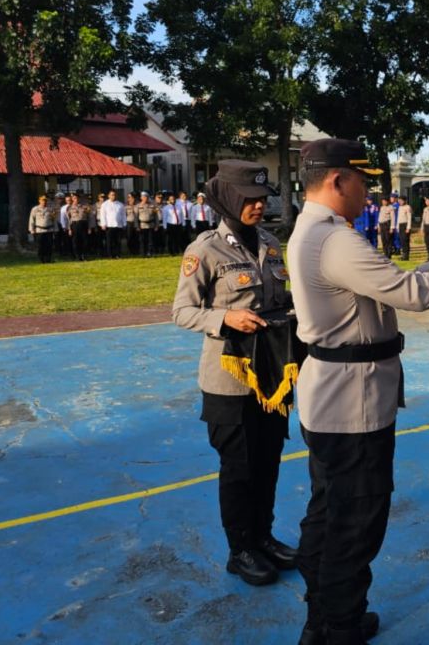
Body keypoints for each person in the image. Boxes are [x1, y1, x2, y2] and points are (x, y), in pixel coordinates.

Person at [288, 138, 429, 645]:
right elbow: (411, 295)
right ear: (338, 180)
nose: (367, 191)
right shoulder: (336, 240)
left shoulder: (315, 230)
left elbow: (391, 282)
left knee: (327, 511)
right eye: (363, 181)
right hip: (352, 401)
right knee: (356, 521)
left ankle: (322, 617)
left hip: (330, 395)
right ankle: (340, 625)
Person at [172, 161, 299, 589]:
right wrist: (226, 317)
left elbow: (280, 299)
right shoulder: (204, 250)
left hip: (270, 376)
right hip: (228, 380)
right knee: (239, 467)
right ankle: (240, 549)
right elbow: (182, 311)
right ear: (227, 199)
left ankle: (263, 537)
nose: (259, 206)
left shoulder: (270, 243)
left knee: (268, 463)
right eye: (250, 199)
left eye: (263, 199)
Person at [28, 195, 57, 263]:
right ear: (39, 201)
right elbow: (31, 219)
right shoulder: (35, 209)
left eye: (45, 200)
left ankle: (48, 259)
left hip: (49, 230)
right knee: (40, 246)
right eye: (42, 200)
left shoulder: (50, 209)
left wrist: (55, 229)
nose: (44, 202)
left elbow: (54, 220)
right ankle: (41, 259)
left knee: (49, 245)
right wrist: (31, 229)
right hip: (39, 230)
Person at [99, 189, 126, 258]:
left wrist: (124, 223)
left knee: (118, 241)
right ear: (108, 196)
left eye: (114, 195)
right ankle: (110, 255)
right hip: (109, 225)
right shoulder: (105, 204)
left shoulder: (120, 204)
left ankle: (117, 254)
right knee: (109, 242)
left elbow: (123, 215)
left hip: (118, 225)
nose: (113, 196)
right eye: (111, 195)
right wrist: (103, 224)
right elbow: (102, 215)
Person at [65, 192, 90, 261]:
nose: (75, 199)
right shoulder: (69, 207)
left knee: (85, 241)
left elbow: (89, 217)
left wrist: (89, 227)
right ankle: (77, 256)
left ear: (79, 198)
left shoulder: (85, 206)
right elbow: (69, 219)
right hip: (75, 225)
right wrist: (69, 229)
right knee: (75, 241)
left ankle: (84, 255)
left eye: (76, 198)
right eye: (74, 198)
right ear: (72, 199)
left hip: (83, 224)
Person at [135, 191, 159, 257]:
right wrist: (137, 226)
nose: (145, 198)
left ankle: (150, 252)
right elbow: (136, 217)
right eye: (143, 197)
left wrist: (157, 225)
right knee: (142, 240)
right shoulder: (138, 206)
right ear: (141, 198)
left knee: (151, 240)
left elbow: (156, 216)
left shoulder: (152, 205)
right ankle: (143, 253)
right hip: (142, 225)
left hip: (151, 225)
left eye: (146, 197)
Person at [378, 191, 396, 258]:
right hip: (382, 225)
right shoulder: (382, 208)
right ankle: (385, 253)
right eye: (382, 201)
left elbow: (393, 218)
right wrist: (378, 226)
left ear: (387, 201)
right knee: (383, 240)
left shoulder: (390, 207)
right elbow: (380, 217)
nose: (383, 202)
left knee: (388, 240)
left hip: (387, 225)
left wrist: (392, 227)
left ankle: (389, 254)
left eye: (384, 201)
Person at [397, 194, 413, 260]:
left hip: (405, 225)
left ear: (404, 201)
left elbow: (409, 218)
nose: (400, 202)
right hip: (400, 225)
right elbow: (398, 218)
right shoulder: (400, 207)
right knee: (401, 241)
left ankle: (406, 256)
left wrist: (408, 228)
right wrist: (397, 227)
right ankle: (403, 254)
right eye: (399, 201)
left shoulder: (408, 207)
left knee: (405, 241)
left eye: (401, 200)